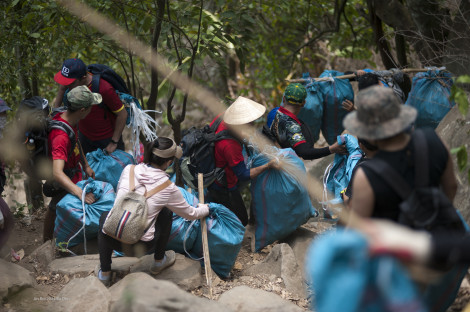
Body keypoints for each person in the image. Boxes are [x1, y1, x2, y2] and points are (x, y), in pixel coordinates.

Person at [96, 137, 210, 286]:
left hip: (112, 238)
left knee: (106, 216)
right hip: (139, 246)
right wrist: (205, 208)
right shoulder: (168, 186)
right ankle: (158, 261)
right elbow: (190, 214)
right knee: (166, 213)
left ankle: (104, 274)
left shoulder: (128, 169)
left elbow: (120, 197)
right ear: (168, 162)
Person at [343, 85, 457, 221]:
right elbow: (451, 186)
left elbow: (357, 227)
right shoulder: (433, 140)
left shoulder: (366, 174)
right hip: (441, 233)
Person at [207, 96, 279, 226]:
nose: (251, 123)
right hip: (223, 184)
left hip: (215, 170)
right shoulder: (229, 145)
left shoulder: (222, 116)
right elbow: (243, 174)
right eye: (248, 121)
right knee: (240, 220)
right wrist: (268, 165)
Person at [43, 86, 99, 242]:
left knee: (61, 208)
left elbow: (75, 140)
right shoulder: (60, 136)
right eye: (90, 107)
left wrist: (86, 164)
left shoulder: (67, 118)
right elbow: (57, 172)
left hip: (74, 172)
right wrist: (79, 193)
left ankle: (65, 239)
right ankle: (47, 242)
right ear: (82, 110)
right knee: (56, 206)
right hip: (65, 178)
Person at [53, 58, 128, 155]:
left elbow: (122, 114)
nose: (68, 86)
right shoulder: (71, 85)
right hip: (84, 137)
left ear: (83, 78)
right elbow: (62, 88)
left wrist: (114, 142)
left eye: (71, 83)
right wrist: (55, 114)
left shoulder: (104, 89)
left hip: (106, 139)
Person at [270, 83, 346, 159]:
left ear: (283, 99)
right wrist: (331, 149)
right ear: (303, 103)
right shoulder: (292, 126)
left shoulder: (275, 113)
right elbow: (304, 152)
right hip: (286, 165)